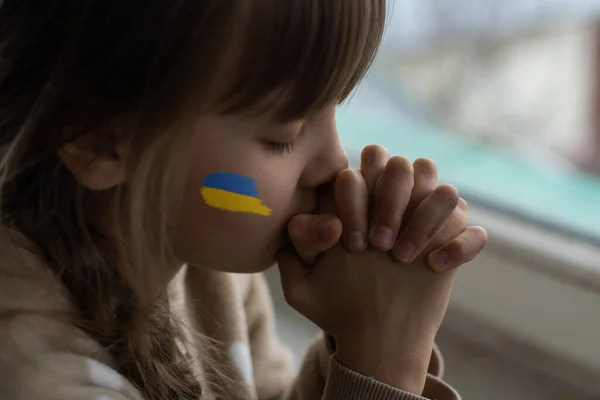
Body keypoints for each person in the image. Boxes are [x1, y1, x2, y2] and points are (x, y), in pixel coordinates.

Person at [0, 1, 487, 399]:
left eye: (336, 105)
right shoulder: (37, 375)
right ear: (100, 141)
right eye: (283, 136)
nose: (336, 165)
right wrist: (386, 363)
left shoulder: (202, 262)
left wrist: (359, 339)